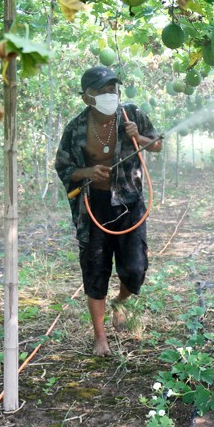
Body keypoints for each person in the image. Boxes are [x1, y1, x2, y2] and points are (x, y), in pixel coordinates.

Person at [55, 65, 163, 356]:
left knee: (135, 268)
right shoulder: (75, 128)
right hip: (93, 208)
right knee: (95, 271)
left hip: (129, 204)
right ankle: (100, 336)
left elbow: (157, 145)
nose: (109, 95)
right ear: (87, 97)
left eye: (112, 89)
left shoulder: (132, 114)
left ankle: (121, 302)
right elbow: (63, 167)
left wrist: (138, 137)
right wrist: (87, 171)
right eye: (101, 91)